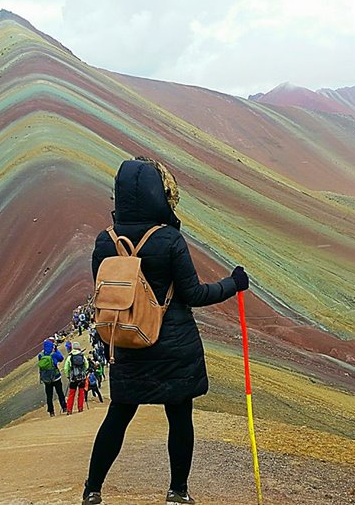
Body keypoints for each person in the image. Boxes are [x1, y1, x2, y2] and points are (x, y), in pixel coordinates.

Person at [82, 158, 248, 505]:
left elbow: (105, 295)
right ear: (159, 195)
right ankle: (177, 492)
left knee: (119, 415)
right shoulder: (169, 239)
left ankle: (92, 489)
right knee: (179, 417)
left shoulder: (104, 242)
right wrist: (233, 283)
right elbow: (195, 295)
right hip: (174, 347)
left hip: (128, 340)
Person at [38, 338, 67, 416]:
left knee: (49, 396)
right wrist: (56, 350)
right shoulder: (53, 354)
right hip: (56, 376)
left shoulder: (41, 355)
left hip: (46, 379)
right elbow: (61, 358)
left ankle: (51, 412)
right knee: (60, 393)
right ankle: (64, 407)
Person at [65, 345, 88, 414]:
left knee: (71, 393)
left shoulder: (70, 357)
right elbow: (86, 365)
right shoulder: (82, 356)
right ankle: (80, 408)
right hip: (82, 377)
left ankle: (69, 409)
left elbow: (66, 368)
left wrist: (68, 376)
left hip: (73, 378)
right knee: (81, 392)